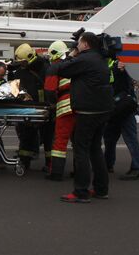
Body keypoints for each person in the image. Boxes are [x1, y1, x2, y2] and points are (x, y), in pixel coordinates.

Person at [47, 31, 114, 203]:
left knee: (81, 149)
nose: (76, 45)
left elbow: (58, 68)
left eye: (79, 43)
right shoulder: (99, 58)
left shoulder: (85, 59)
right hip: (102, 110)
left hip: (87, 111)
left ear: (85, 44)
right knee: (95, 149)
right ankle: (101, 189)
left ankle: (81, 191)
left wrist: (70, 55)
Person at [8, 43, 51, 172]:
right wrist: (11, 74)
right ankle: (24, 161)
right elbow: (14, 89)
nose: (21, 64)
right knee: (26, 136)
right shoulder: (21, 70)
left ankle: (51, 164)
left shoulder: (45, 68)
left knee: (48, 137)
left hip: (44, 108)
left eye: (22, 61)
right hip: (27, 108)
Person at [103, 61, 139, 180]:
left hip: (123, 106)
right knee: (109, 138)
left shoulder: (123, 63)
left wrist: (122, 69)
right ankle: (108, 164)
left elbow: (126, 85)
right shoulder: (110, 62)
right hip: (114, 106)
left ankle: (137, 167)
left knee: (130, 138)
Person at [43, 40, 73, 180]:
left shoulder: (54, 68)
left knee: (60, 140)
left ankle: (56, 173)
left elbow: (49, 91)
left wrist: (52, 105)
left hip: (65, 107)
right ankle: (79, 170)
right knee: (78, 141)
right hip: (81, 105)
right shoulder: (75, 64)